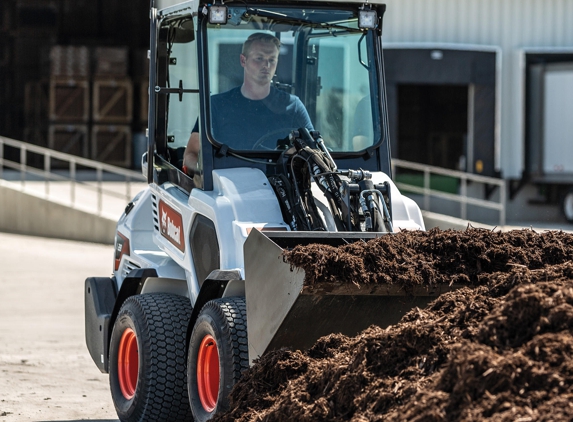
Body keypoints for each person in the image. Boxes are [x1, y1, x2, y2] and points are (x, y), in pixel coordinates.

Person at [182, 33, 313, 176]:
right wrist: (205, 178)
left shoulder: (293, 107)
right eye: (259, 58)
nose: (266, 65)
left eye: (272, 60)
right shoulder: (216, 106)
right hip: (225, 191)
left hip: (280, 191)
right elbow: (192, 154)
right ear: (243, 60)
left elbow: (314, 153)